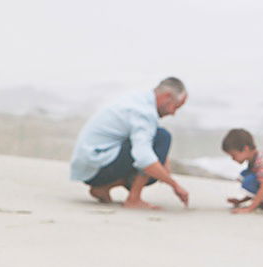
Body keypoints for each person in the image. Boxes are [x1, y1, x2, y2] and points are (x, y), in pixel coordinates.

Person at [70, 77, 190, 210]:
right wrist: (174, 185)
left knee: (156, 146)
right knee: (162, 137)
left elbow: (143, 137)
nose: (173, 113)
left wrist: (164, 162)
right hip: (97, 166)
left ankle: (103, 188)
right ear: (166, 97)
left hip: (87, 166)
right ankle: (133, 199)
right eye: (175, 107)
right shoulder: (144, 113)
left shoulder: (138, 99)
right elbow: (144, 158)